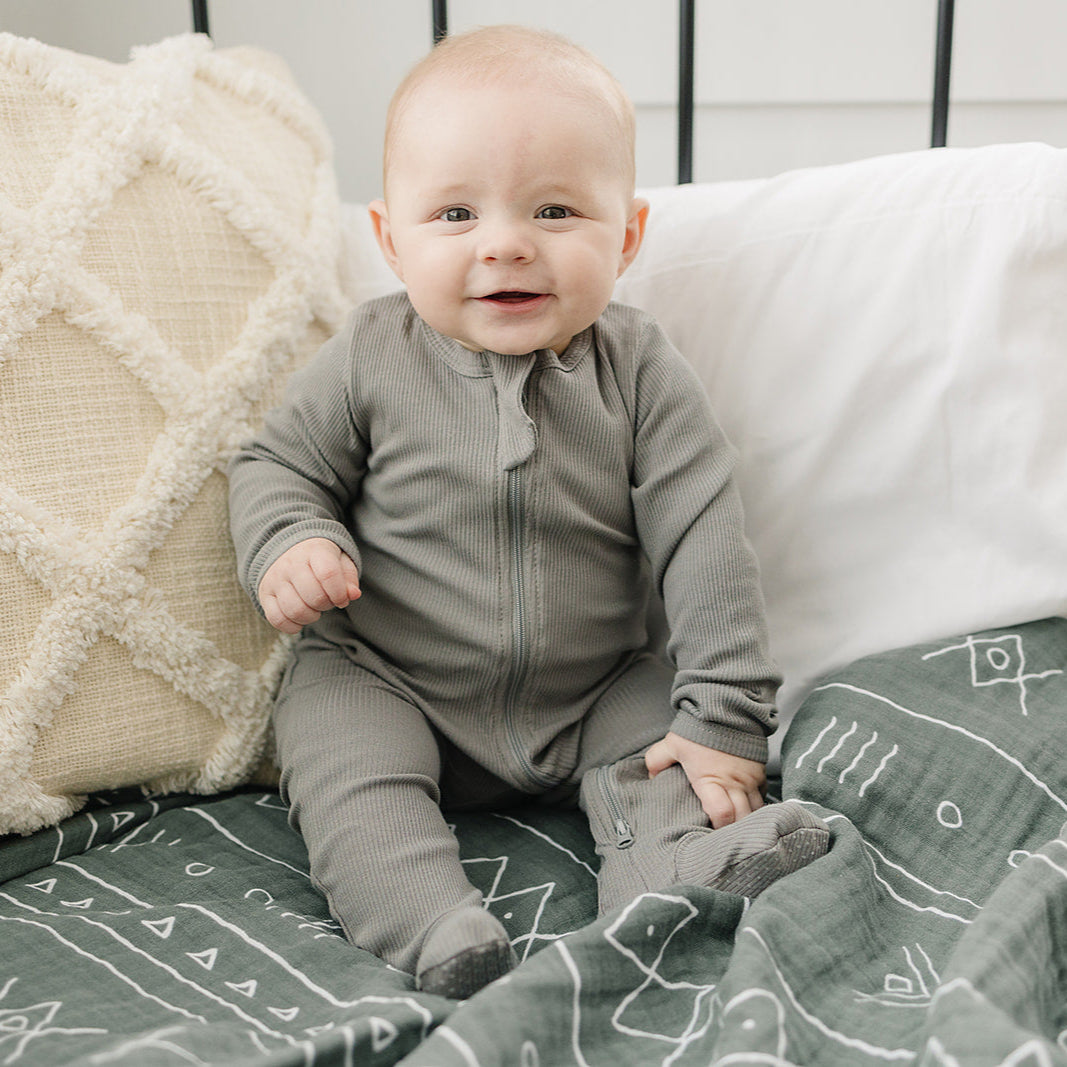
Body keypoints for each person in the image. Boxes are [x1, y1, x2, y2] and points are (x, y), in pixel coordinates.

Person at [228, 24, 829, 1000]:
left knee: (654, 739)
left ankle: (667, 864)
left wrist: (723, 715)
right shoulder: (370, 355)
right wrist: (292, 539)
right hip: (387, 673)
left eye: (553, 209)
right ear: (390, 239)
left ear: (624, 236)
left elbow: (703, 532)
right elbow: (276, 465)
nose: (504, 242)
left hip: (592, 686)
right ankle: (427, 920)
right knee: (344, 759)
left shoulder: (638, 370)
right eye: (455, 212)